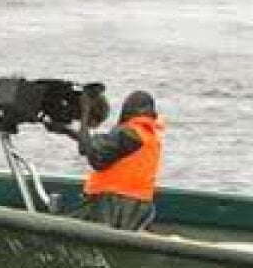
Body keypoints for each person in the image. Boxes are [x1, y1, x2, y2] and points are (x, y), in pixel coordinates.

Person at [48, 90, 165, 230]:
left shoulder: (129, 133)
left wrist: (85, 111)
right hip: (136, 209)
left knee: (61, 224)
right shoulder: (147, 135)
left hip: (112, 208)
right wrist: (68, 131)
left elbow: (94, 156)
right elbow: (95, 146)